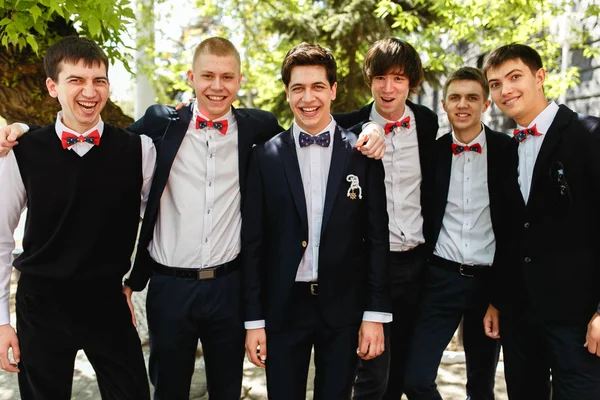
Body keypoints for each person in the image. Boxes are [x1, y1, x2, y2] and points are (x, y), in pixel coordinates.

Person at [0, 37, 386, 399]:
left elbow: (316, 128)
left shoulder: (259, 128)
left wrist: (370, 127)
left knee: (225, 389)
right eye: (207, 76)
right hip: (169, 287)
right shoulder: (159, 127)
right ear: (192, 78)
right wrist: (24, 132)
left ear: (239, 81)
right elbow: (90, 137)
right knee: (166, 389)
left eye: (227, 77)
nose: (217, 86)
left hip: (228, 287)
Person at [0, 36, 155, 399]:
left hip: (106, 299)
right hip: (41, 303)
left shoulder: (139, 150)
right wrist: (2, 322)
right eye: (76, 80)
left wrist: (135, 281)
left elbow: (157, 223)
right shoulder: (21, 151)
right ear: (52, 87)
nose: (90, 91)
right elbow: (1, 237)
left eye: (98, 80)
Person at [242, 42, 391, 400]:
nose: (308, 98)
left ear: (333, 90)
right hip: (283, 308)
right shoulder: (265, 156)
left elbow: (376, 239)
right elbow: (253, 243)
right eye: (298, 88)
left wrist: (375, 314)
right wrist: (254, 321)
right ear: (287, 93)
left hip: (344, 309)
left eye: (317, 87)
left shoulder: (362, 154)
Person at [482, 43, 600, 400]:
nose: (505, 90)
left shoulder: (589, 135)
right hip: (519, 319)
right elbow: (511, 233)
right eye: (495, 83)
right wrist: (498, 300)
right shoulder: (506, 150)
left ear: (540, 77)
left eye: (514, 77)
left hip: (577, 319)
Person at [334, 37, 439, 400]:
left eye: (398, 78)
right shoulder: (348, 129)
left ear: (411, 82)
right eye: (380, 77)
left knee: (405, 371)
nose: (388, 87)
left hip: (419, 265)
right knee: (372, 374)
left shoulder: (427, 122)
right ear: (370, 80)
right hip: (371, 268)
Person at [402, 67, 514, 400]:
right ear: (445, 104)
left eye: (471, 97)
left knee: (481, 387)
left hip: (488, 285)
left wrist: (500, 295)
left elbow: (514, 228)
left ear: (486, 104)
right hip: (440, 280)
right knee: (416, 379)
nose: (462, 104)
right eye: (455, 97)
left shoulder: (508, 152)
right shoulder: (431, 154)